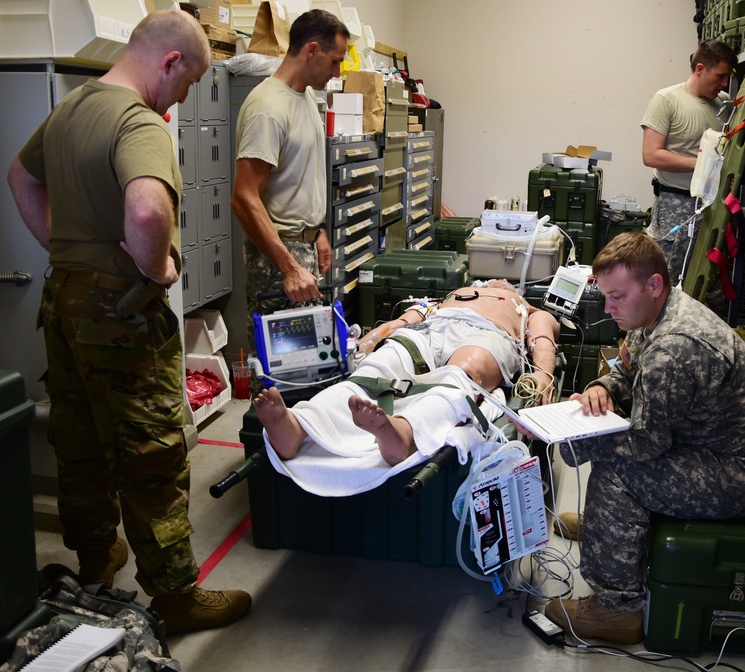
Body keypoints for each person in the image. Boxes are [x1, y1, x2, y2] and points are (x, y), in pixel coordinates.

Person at [6, 10, 250, 634]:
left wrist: (65, 250)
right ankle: (174, 597)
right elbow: (146, 211)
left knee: (81, 439)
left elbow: (21, 177)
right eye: (188, 82)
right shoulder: (138, 122)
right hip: (120, 311)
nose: (184, 97)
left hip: (64, 301)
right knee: (154, 453)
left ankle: (95, 560)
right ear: (169, 62)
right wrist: (159, 267)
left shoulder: (70, 108)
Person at [543, 232, 745, 644]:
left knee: (617, 469)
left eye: (617, 296)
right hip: (716, 447)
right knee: (615, 453)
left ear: (653, 285)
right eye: (605, 296)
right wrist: (602, 387)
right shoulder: (658, 314)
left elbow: (645, 444)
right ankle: (612, 527)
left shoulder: (675, 347)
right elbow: (627, 366)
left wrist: (577, 440)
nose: (608, 308)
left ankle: (615, 611)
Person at [254, 279, 560, 469]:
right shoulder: (457, 294)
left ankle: (402, 432)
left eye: (505, 282)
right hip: (432, 328)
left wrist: (543, 377)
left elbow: (543, 343)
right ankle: (297, 426)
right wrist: (368, 342)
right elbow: (404, 319)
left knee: (461, 375)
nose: (499, 281)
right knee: (380, 367)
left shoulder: (526, 308)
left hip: (488, 336)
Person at [230, 10, 351, 383]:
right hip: (277, 262)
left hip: (305, 250)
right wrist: (289, 267)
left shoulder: (305, 99)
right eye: (335, 61)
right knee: (281, 380)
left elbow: (301, 177)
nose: (337, 72)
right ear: (312, 49)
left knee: (311, 372)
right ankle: (263, 443)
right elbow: (243, 197)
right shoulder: (268, 108)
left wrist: (318, 233)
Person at [641, 39, 737, 293]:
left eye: (728, 77)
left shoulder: (725, 104)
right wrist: (703, 164)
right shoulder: (667, 100)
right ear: (700, 69)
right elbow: (651, 155)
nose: (725, 84)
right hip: (676, 204)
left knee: (709, 283)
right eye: (720, 76)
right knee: (665, 282)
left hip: (714, 206)